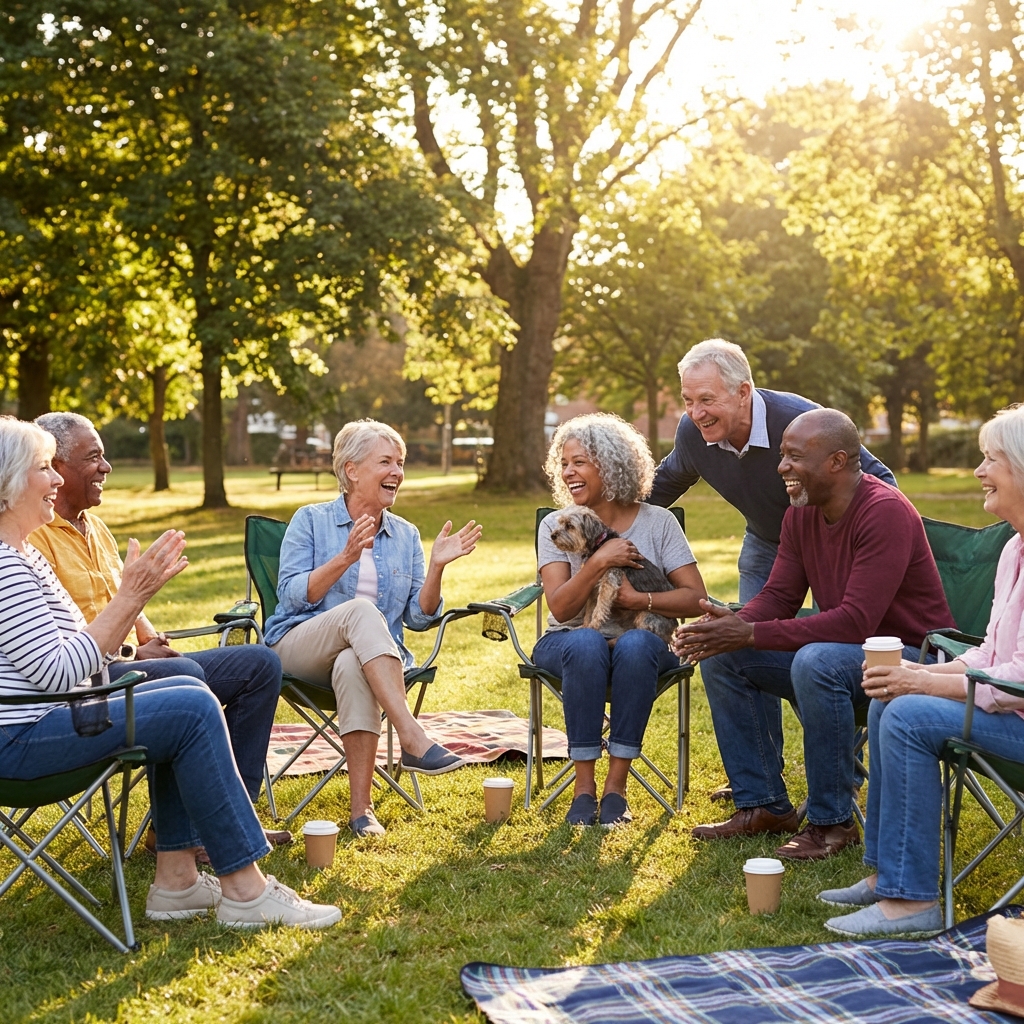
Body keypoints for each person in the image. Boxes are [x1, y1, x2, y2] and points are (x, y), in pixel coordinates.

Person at [0, 417, 338, 928]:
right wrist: (130, 597)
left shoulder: (24, 556)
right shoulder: (5, 564)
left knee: (182, 686)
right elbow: (56, 673)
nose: (54, 481)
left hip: (56, 713)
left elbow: (72, 655)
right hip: (21, 737)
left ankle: (176, 881)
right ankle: (246, 891)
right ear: (6, 483)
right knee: (187, 704)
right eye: (44, 469)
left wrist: (137, 633)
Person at [673, 408, 954, 860]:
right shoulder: (800, 515)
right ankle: (763, 805)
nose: (781, 467)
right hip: (848, 659)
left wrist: (750, 633)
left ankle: (832, 822)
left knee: (816, 660)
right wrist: (731, 625)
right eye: (782, 455)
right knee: (726, 655)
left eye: (794, 457)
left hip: (912, 662)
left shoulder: (885, 512)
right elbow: (778, 598)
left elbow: (854, 623)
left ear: (837, 462)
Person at [30, 412, 290, 851]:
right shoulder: (34, 538)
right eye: (93, 457)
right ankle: (182, 835)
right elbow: (66, 641)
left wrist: (151, 640)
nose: (106, 467)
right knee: (184, 675)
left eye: (105, 456)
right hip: (88, 679)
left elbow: (124, 600)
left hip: (129, 659)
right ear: (55, 466)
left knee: (259, 664)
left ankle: (232, 817)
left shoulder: (95, 527)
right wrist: (133, 654)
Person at [819, 405, 1024, 937]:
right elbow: (990, 654)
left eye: (990, 460)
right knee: (893, 701)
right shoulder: (1015, 549)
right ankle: (888, 874)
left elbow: (1019, 681)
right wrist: (924, 675)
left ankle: (911, 903)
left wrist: (924, 680)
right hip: (1007, 709)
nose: (979, 472)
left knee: (907, 713)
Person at [263, 419, 481, 837]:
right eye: (386, 461)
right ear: (351, 470)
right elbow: (289, 597)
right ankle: (411, 736)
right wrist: (344, 558)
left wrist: (436, 567)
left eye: (400, 463)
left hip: (363, 661)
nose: (397, 472)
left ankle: (361, 811)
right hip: (299, 646)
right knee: (360, 612)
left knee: (351, 663)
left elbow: (419, 618)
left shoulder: (406, 535)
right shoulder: (310, 520)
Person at [532, 414, 707, 827]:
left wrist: (639, 598)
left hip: (644, 642)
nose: (568, 472)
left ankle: (616, 789)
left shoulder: (658, 523)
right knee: (586, 643)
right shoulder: (556, 525)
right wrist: (598, 562)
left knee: (636, 645)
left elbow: (695, 598)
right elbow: (560, 608)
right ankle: (583, 790)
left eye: (580, 462)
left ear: (610, 465)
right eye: (564, 463)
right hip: (570, 641)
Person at [648, 338, 896, 602]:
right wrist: (606, 518)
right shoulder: (692, 433)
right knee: (749, 632)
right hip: (766, 542)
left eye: (707, 399)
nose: (696, 413)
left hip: (830, 545)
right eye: (688, 400)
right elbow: (663, 484)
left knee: (834, 635)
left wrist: (851, 544)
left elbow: (881, 482)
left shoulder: (800, 421)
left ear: (743, 392)